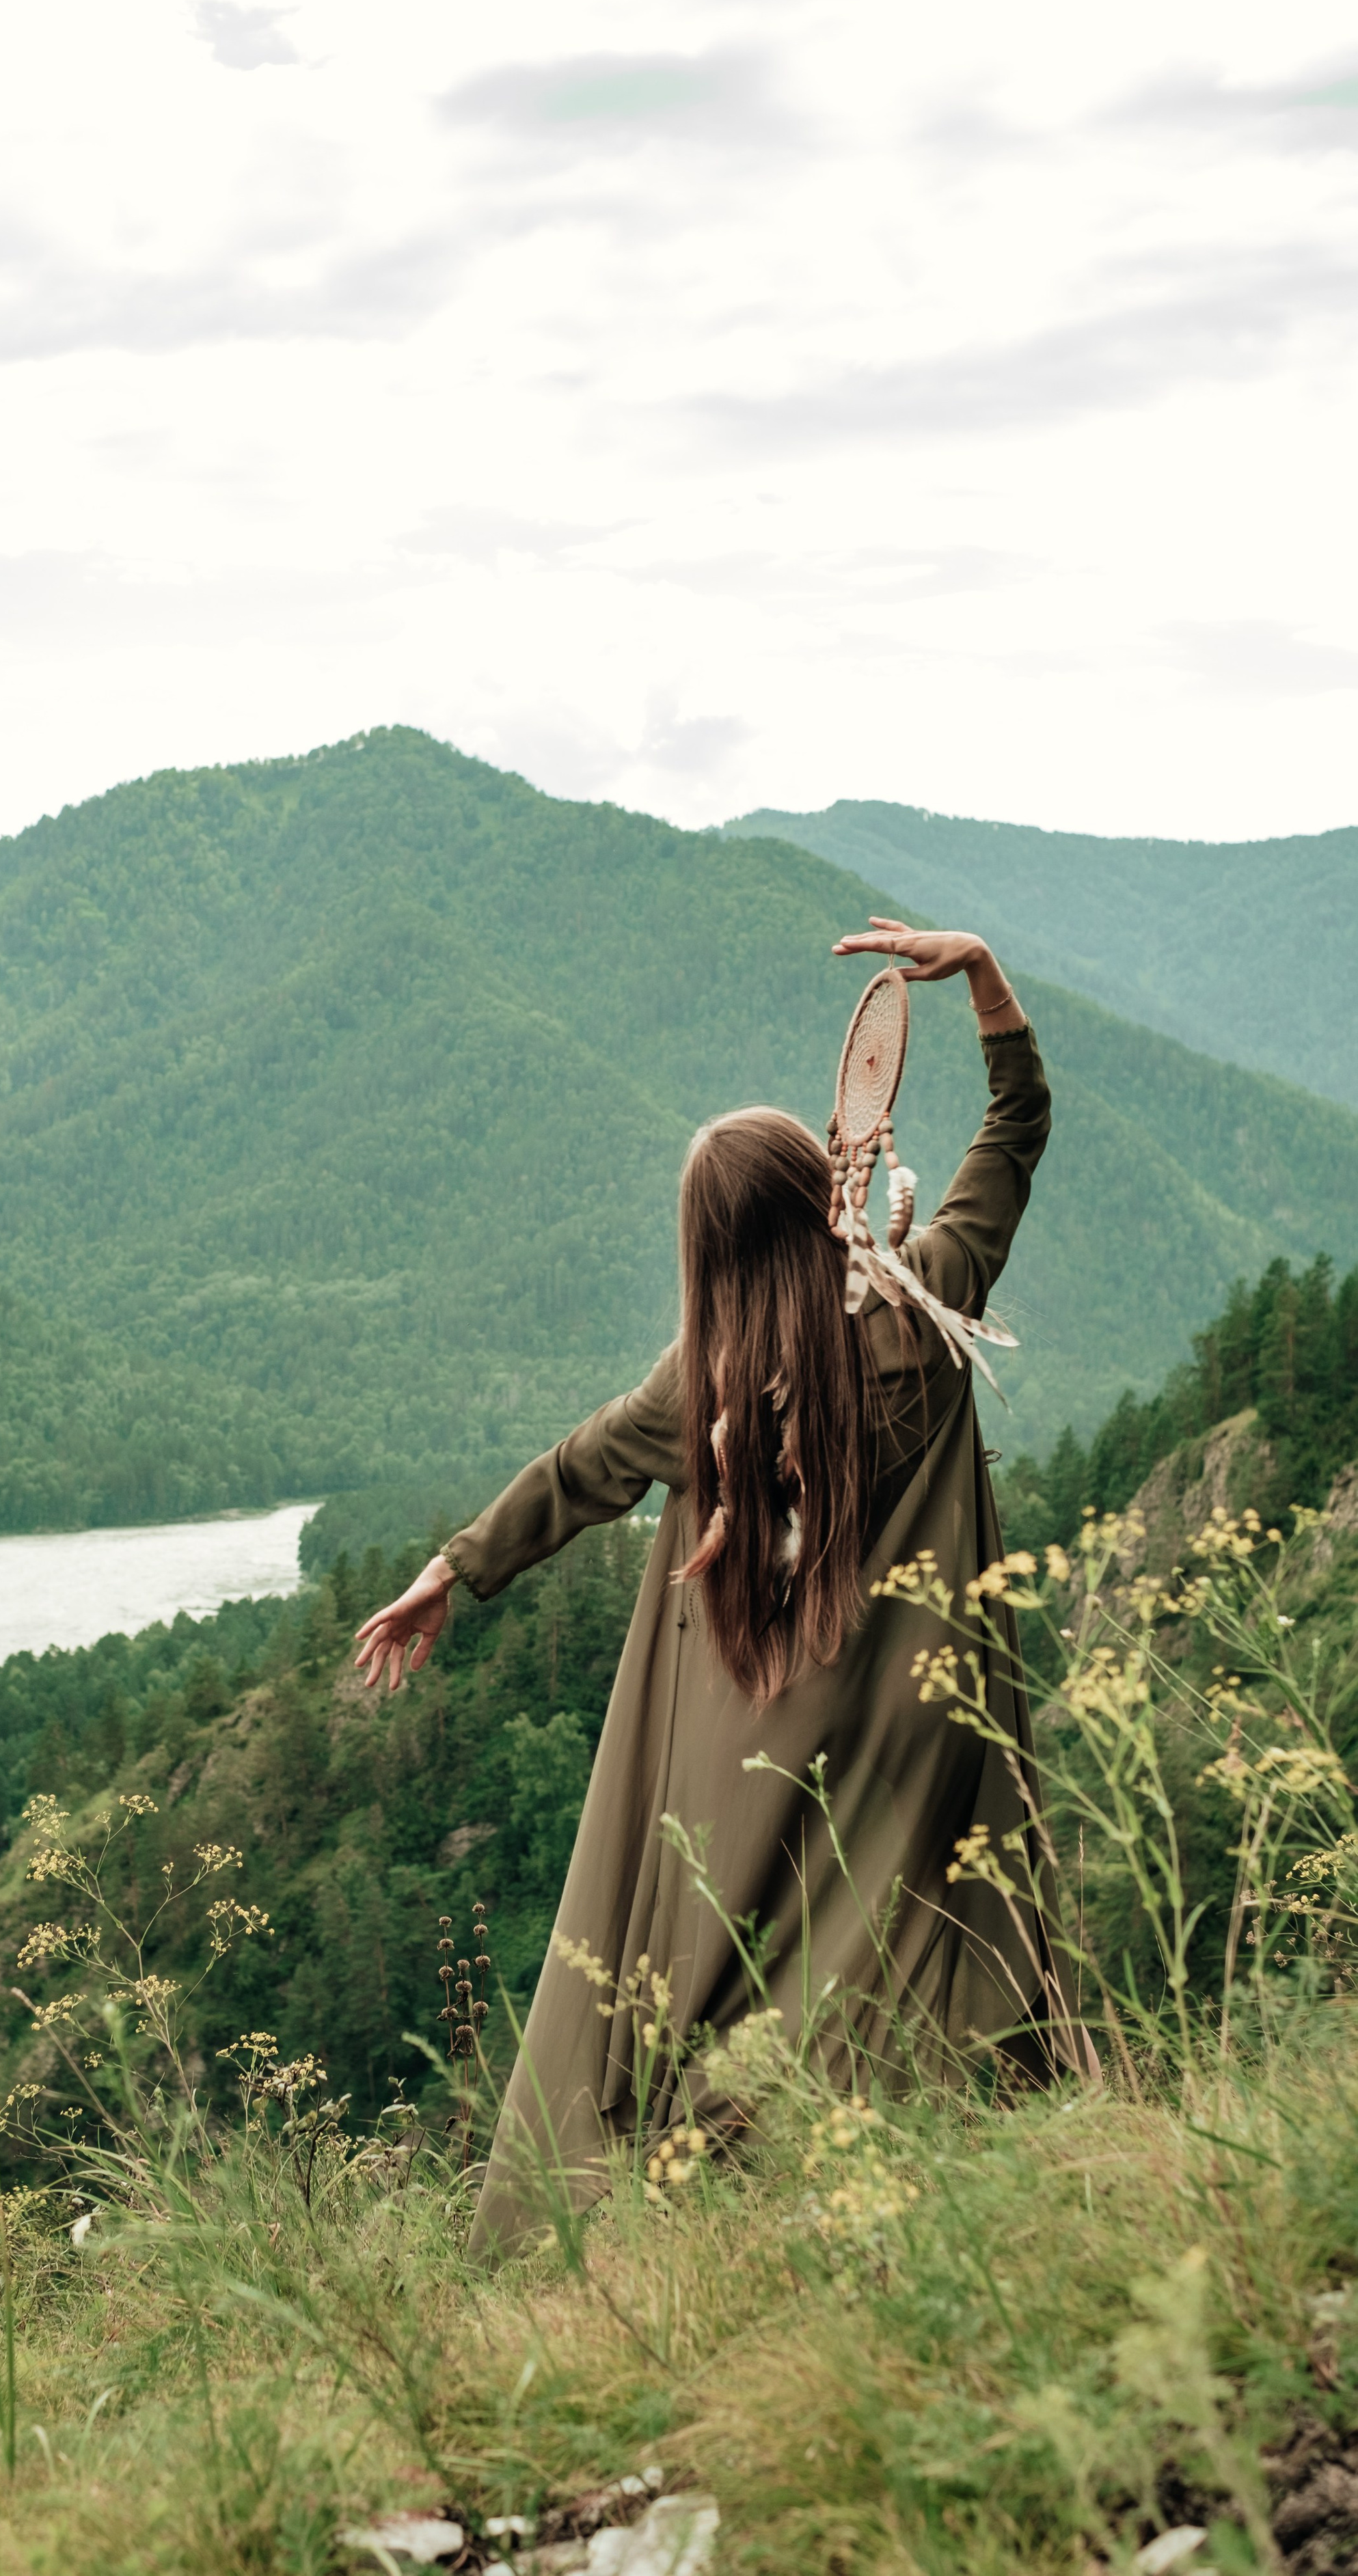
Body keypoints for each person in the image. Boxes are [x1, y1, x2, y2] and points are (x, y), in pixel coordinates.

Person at [354, 918, 1087, 2257]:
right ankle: (929, 2181)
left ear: (703, 1252)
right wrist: (981, 975)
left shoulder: (690, 1392)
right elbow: (1015, 1129)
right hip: (910, 1732)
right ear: (820, 1199)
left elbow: (576, 1471)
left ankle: (718, 2202)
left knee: (737, 1971)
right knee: (901, 1940)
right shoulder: (922, 1310)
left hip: (749, 1743)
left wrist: (451, 1570)